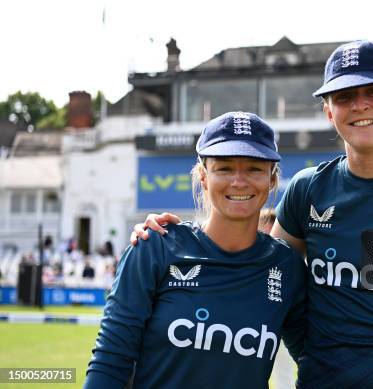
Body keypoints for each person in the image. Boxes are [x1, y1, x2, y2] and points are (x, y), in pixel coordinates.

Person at [132, 40, 373, 388]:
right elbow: (257, 273)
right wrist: (183, 242)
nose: (359, 105)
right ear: (329, 111)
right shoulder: (308, 190)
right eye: (344, 97)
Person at [84, 112, 308, 388]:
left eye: (254, 168)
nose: (239, 181)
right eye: (224, 168)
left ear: (272, 180)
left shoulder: (287, 267)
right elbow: (110, 361)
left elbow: (314, 361)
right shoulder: (155, 246)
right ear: (203, 176)